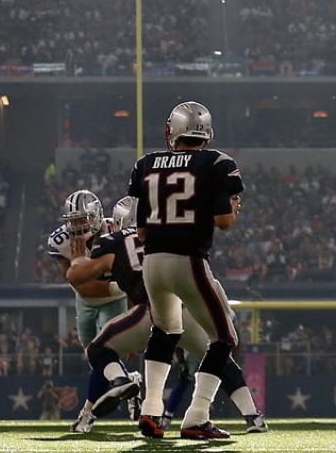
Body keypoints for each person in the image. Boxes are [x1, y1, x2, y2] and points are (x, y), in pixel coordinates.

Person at [71, 197, 266, 435]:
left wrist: (77, 259)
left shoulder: (112, 242)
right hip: (190, 309)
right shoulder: (173, 234)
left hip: (153, 311)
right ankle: (252, 416)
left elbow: (77, 278)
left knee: (97, 348)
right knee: (221, 360)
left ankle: (125, 384)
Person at [126, 100, 244, 439]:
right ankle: (197, 415)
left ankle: (151, 409)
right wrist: (231, 210)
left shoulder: (146, 163)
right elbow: (223, 222)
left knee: (165, 331)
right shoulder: (217, 162)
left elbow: (142, 231)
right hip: (188, 260)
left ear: (173, 130)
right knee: (225, 337)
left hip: (152, 262)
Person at [45, 191, 125, 424]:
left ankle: (88, 413)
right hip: (88, 299)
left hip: (114, 300)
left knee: (103, 351)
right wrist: (121, 287)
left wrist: (126, 292)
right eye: (73, 220)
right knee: (95, 357)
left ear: (97, 215)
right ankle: (127, 379)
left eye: (83, 219)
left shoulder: (117, 230)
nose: (78, 225)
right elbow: (80, 285)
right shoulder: (60, 241)